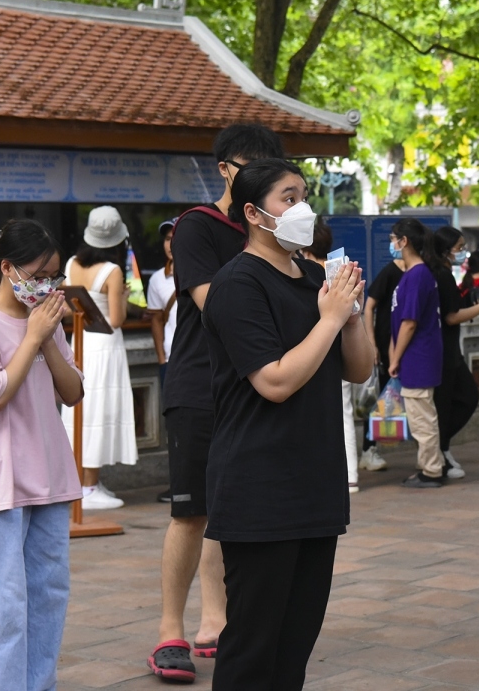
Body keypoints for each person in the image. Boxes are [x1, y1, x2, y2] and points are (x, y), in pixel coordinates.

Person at [201, 158, 372, 690]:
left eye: (304, 195)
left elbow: (358, 368)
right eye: (288, 198)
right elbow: (273, 381)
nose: (302, 208)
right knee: (253, 647)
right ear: (254, 213)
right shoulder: (238, 284)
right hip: (260, 485)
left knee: (295, 644)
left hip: (313, 481)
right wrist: (329, 319)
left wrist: (353, 315)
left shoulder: (312, 279)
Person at [151, 123, 285, 683]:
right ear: (226, 169)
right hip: (199, 387)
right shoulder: (196, 227)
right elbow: (217, 306)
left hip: (253, 388)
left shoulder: (279, 229)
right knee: (191, 511)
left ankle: (216, 622)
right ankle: (167, 632)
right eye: (253, 166)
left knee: (232, 510)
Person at [0, 219, 84, 691]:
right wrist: (33, 335)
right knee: (0, 600)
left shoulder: (46, 320)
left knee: (48, 595)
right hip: (1, 481)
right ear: (7, 268)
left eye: (54, 275)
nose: (47, 285)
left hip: (49, 475)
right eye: (38, 274)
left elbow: (72, 392)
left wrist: (48, 336)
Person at [61, 206, 138, 511]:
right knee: (100, 410)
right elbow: (117, 318)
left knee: (82, 411)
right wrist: (121, 296)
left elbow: (68, 308)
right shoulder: (113, 271)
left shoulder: (71, 264)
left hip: (80, 341)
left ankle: (82, 482)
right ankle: (89, 486)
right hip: (105, 346)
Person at [430, 227, 479, 479]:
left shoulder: (442, 273)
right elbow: (451, 317)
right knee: (457, 399)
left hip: (448, 350)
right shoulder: (441, 274)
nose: (463, 253)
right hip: (443, 352)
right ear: (446, 249)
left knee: (460, 399)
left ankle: (440, 448)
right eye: (459, 247)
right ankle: (438, 451)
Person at [301, 217, 362, 494]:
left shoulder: (305, 274)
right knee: (344, 412)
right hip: (341, 350)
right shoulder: (339, 272)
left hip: (314, 352)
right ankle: (350, 475)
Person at [387, 218, 446, 489]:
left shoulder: (418, 275)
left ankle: (432, 470)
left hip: (418, 355)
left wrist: (395, 358)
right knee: (420, 415)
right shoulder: (413, 274)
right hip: (416, 355)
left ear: (404, 241)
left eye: (393, 239)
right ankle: (427, 466)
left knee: (422, 418)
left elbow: (409, 323)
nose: (392, 244)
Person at [358, 247, 406, 472]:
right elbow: (369, 307)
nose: (393, 245)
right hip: (386, 348)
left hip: (404, 345)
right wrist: (372, 342)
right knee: (380, 398)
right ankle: (369, 449)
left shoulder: (416, 272)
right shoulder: (389, 272)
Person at [147, 218, 178, 387]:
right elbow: (156, 320)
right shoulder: (157, 279)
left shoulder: (203, 274)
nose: (170, 244)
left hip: (201, 359)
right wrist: (162, 359)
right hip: (170, 358)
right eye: (167, 239)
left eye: (175, 237)